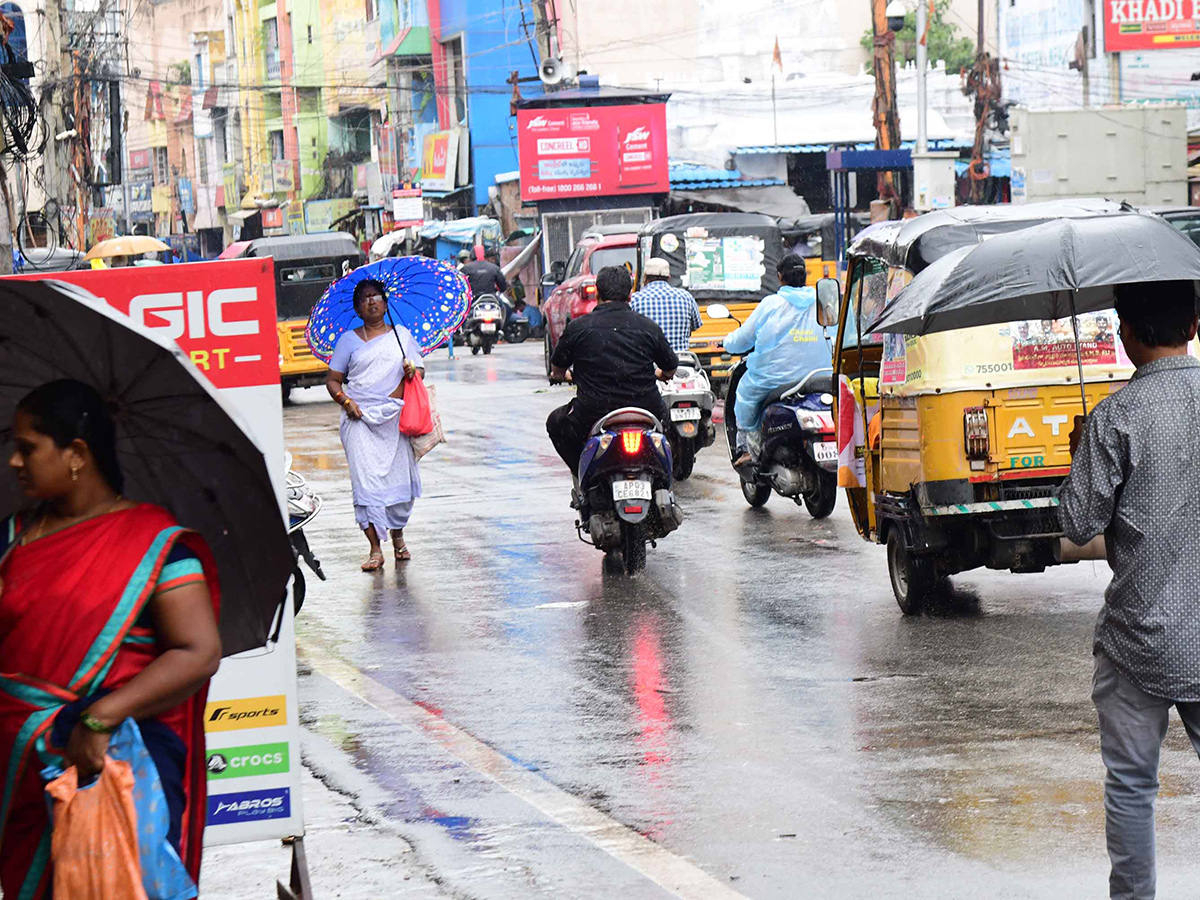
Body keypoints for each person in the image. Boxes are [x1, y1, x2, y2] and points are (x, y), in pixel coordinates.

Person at [0, 379, 222, 897]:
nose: (15, 462)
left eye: (28, 448)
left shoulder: (155, 544)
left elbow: (199, 651)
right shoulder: (11, 538)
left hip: (111, 763)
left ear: (76, 453)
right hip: (18, 769)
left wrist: (100, 719)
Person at [1058, 280, 1200, 900]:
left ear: (1128, 333)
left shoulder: (1115, 415)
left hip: (1139, 636)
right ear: (1194, 326)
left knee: (1131, 786)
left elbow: (1077, 523)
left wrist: (1080, 454)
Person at [325, 279, 425, 571]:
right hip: (359, 421)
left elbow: (419, 369)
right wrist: (346, 402)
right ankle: (375, 548)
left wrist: (412, 369)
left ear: (385, 301)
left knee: (399, 486)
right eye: (364, 298)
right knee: (365, 485)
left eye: (376, 296)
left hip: (395, 420)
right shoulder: (348, 341)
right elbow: (333, 380)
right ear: (357, 307)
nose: (371, 301)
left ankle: (398, 538)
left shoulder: (401, 336)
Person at [546, 266, 678, 474]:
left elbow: (558, 369)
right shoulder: (647, 327)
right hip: (646, 409)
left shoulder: (579, 328)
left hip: (593, 412)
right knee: (669, 426)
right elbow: (670, 367)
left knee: (555, 422)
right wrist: (663, 375)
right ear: (630, 294)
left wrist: (564, 376)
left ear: (597, 293)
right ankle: (664, 478)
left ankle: (581, 473)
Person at [722, 253, 831, 468]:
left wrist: (726, 343)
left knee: (744, 393)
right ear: (805, 276)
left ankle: (747, 449)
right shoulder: (822, 302)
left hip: (773, 380)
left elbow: (742, 340)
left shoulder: (771, 305)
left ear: (780, 277)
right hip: (820, 376)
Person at [631, 257, 702, 353]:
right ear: (668, 277)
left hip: (649, 362)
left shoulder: (635, 299)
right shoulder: (686, 297)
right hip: (681, 361)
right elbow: (695, 325)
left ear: (645, 277)